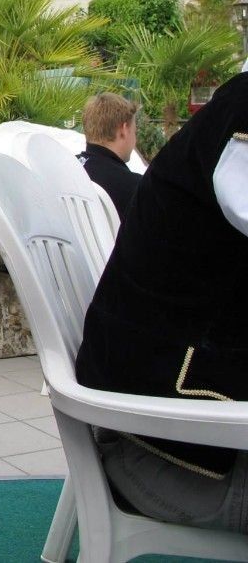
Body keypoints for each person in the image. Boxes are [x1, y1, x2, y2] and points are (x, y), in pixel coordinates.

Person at [76, 73, 248, 533]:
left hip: (146, 424)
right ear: (125, 129)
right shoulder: (238, 125)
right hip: (168, 453)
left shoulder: (199, 145)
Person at [76, 92, 142, 217]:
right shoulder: (134, 187)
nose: (135, 140)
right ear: (124, 130)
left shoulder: (67, 169)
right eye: (135, 132)